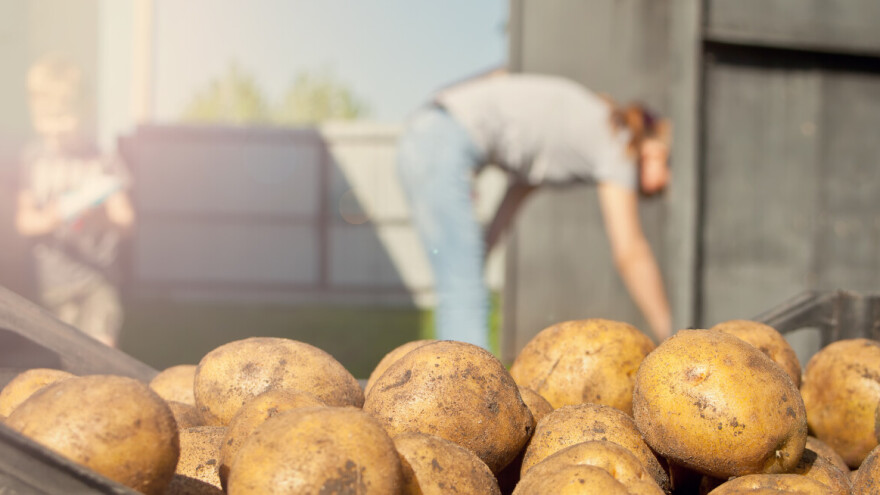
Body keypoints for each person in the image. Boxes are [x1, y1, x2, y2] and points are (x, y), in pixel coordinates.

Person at [396, 72, 673, 350]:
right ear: (650, 149)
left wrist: (481, 253)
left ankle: (450, 372)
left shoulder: (587, 130)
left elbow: (514, 198)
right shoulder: (620, 141)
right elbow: (631, 252)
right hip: (441, 138)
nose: (668, 180)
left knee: (462, 285)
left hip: (428, 133)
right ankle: (463, 378)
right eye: (667, 163)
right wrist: (669, 335)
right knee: (463, 289)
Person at [15, 55, 135, 347]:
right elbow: (24, 221)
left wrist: (98, 217)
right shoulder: (33, 160)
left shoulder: (102, 160)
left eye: (63, 117)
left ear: (85, 110)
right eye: (46, 119)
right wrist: (54, 214)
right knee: (65, 358)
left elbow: (126, 221)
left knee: (101, 350)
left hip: (97, 280)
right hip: (54, 286)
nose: (55, 128)